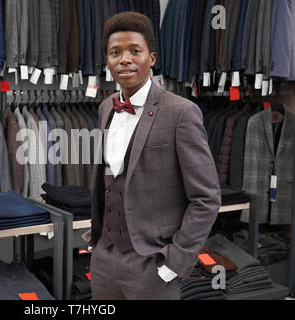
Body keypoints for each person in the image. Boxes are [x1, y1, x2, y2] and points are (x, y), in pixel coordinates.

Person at [87, 12, 221, 300]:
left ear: (152, 58)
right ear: (107, 61)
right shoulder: (105, 108)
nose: (125, 59)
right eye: (115, 52)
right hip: (103, 260)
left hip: (152, 264)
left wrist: (175, 262)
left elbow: (206, 198)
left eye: (135, 51)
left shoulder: (181, 113)